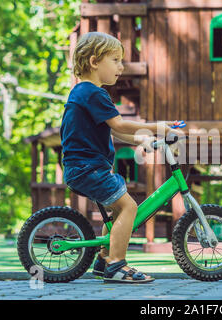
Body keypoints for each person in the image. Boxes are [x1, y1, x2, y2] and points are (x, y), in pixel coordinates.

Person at [60, 32, 183, 283]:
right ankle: (117, 265)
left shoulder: (83, 93)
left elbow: (116, 131)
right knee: (128, 207)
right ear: (95, 62)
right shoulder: (92, 93)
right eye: (115, 60)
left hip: (84, 168)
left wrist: (145, 139)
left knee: (118, 210)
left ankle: (104, 259)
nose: (121, 66)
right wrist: (159, 127)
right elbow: (121, 124)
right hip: (89, 168)